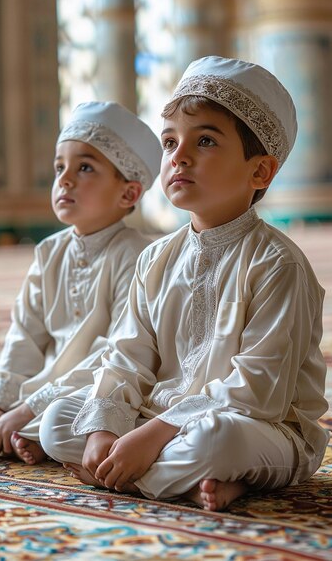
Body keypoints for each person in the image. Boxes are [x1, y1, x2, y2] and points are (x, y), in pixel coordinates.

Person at [40, 56, 329, 511]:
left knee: (218, 440)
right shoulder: (155, 258)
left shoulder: (277, 264)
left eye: (206, 140)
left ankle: (153, 474)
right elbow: (126, 357)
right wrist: (104, 429)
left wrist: (152, 435)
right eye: (170, 142)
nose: (179, 157)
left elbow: (258, 393)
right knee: (58, 420)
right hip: (159, 418)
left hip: (260, 428)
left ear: (260, 171)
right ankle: (194, 484)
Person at [0, 101, 161, 465]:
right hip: (40, 383)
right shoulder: (49, 252)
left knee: (62, 417)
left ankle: (18, 431)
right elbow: (25, 335)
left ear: (129, 193)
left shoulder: (138, 255)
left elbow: (116, 355)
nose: (64, 179)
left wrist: (29, 407)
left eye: (84, 168)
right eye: (59, 167)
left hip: (94, 387)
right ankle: (6, 429)